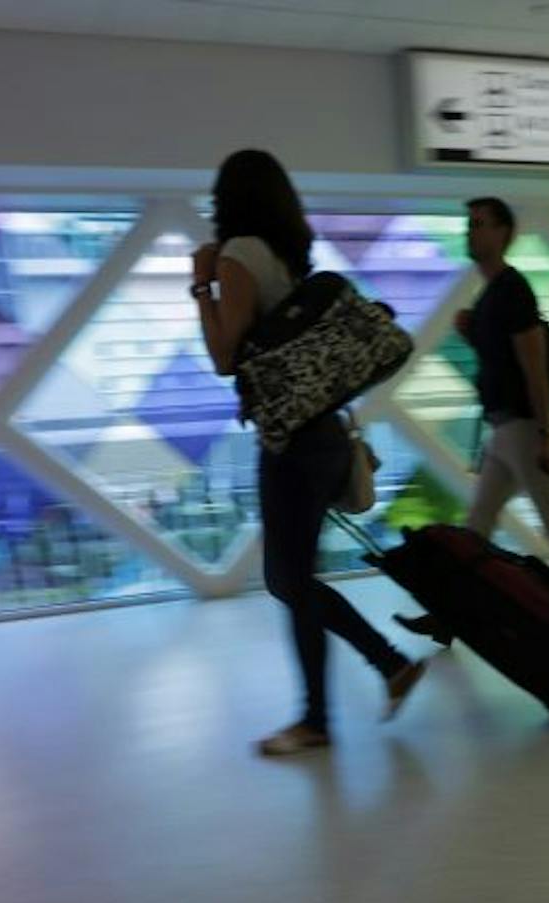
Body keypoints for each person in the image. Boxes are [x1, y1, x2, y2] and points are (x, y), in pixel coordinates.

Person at [192, 149, 427, 758]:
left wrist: (201, 283)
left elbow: (224, 355)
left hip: (293, 444)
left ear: (230, 199)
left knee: (289, 579)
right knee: (292, 579)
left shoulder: (240, 253)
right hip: (322, 435)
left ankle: (327, 712)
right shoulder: (287, 259)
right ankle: (378, 672)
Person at [398, 198, 549, 642]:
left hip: (524, 429)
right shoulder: (489, 298)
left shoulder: (513, 290)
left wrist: (546, 433)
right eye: (468, 224)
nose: (470, 231)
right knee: (477, 529)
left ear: (504, 234)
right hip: (503, 431)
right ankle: (449, 618)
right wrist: (473, 336)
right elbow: (502, 367)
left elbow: (532, 364)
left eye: (480, 224)